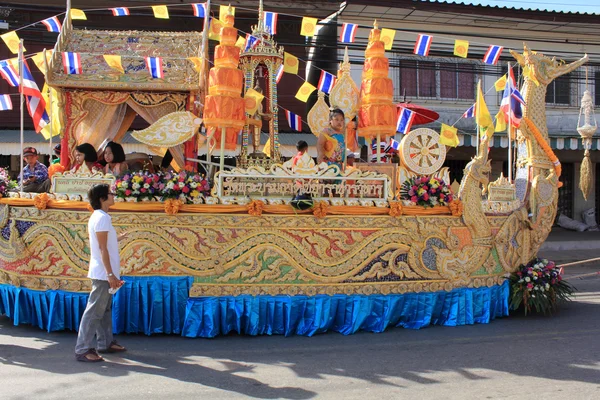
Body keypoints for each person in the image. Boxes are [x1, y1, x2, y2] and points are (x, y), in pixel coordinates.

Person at [75, 184, 126, 362]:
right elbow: (102, 248)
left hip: (104, 271)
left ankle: (105, 342)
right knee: (95, 311)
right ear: (103, 198)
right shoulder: (102, 218)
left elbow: (103, 241)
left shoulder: (99, 217)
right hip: (103, 272)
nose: (114, 196)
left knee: (104, 309)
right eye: (111, 194)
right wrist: (110, 274)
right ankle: (83, 348)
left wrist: (118, 237)